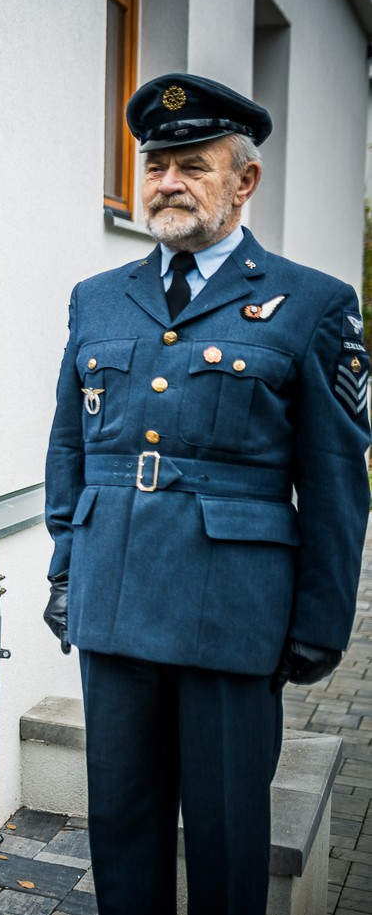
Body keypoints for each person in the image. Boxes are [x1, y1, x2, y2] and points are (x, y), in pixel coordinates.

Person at [43, 74, 370, 912]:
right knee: (121, 825)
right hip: (112, 601)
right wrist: (63, 567)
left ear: (244, 180)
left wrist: (319, 621)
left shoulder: (313, 304)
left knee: (228, 840)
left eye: (193, 164)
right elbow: (71, 444)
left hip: (232, 615)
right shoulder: (97, 299)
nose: (168, 182)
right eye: (156, 165)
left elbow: (335, 480)